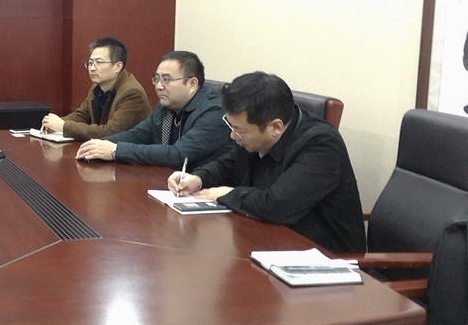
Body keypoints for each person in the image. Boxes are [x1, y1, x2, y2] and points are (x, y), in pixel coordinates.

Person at [167, 71, 366, 253]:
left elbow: (277, 205)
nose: (233, 136)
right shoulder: (256, 136)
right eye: (231, 126)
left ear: (275, 127)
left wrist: (228, 194)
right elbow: (228, 164)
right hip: (270, 243)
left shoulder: (321, 145)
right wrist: (198, 179)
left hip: (325, 259)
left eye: (238, 130)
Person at [75, 50, 233, 168]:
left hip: (205, 189)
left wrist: (115, 150)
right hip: (169, 181)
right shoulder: (167, 105)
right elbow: (138, 134)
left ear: (192, 84)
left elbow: (178, 155)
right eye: (156, 79)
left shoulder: (215, 112)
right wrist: (99, 145)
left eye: (166, 79)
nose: (159, 86)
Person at [41, 37, 151, 140]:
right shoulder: (97, 87)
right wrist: (53, 123)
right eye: (90, 63)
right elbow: (82, 115)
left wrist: (64, 126)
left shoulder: (132, 93)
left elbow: (111, 133)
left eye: (99, 62)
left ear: (118, 66)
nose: (92, 68)